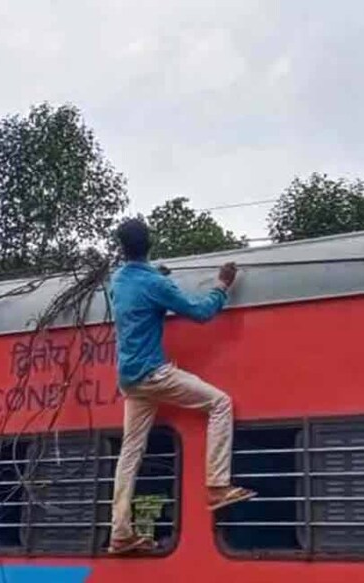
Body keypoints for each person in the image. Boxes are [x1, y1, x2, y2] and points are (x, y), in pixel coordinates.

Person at [107, 219, 255, 555]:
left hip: (129, 380)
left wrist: (156, 276)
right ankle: (217, 486)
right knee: (220, 403)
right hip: (153, 374)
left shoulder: (118, 280)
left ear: (122, 249)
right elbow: (200, 313)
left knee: (130, 452)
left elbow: (138, 289)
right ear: (150, 244)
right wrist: (222, 285)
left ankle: (120, 532)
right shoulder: (155, 284)